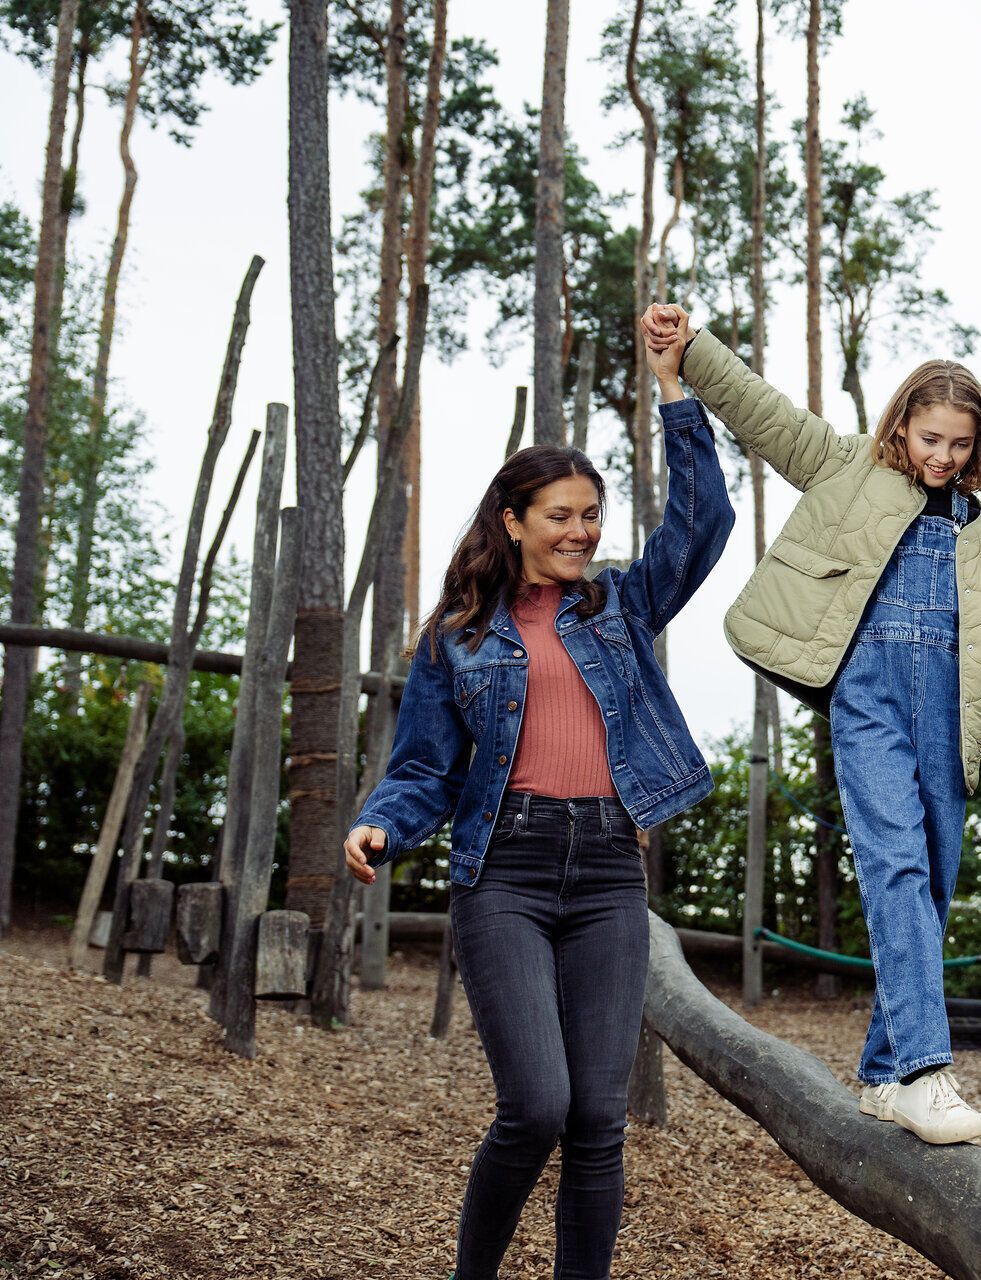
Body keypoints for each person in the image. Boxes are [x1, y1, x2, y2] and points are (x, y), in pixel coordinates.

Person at [641, 302, 981, 1146]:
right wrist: (693, 351)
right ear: (902, 425)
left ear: (979, 448)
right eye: (929, 437)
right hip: (867, 701)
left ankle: (880, 1074)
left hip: (949, 717)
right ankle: (928, 1072)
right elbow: (762, 409)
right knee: (895, 868)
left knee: (929, 890)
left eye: (959, 444)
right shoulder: (844, 467)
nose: (942, 456)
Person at [340, 342, 733, 1278]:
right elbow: (427, 767)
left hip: (605, 869)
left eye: (592, 516)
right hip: (504, 873)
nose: (582, 532)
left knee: (599, 1119)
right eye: (561, 516)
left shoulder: (620, 606)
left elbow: (705, 519)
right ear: (512, 522)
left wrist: (674, 389)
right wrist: (382, 822)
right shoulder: (458, 640)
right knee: (540, 1106)